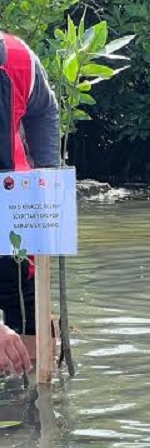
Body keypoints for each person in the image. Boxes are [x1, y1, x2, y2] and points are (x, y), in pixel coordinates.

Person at [0, 32, 59, 366]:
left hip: (15, 198)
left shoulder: (16, 58)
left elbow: (44, 109)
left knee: (28, 303)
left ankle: (34, 405)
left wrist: (47, 178)